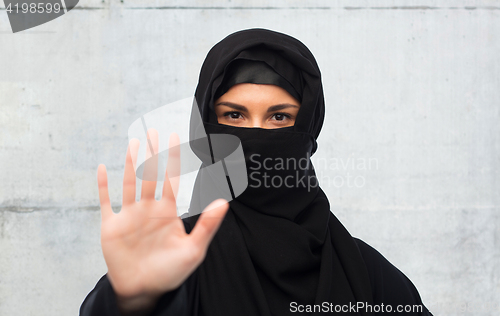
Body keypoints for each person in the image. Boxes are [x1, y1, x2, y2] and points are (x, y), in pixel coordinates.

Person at [80, 28, 433, 316]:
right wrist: (130, 300)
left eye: (279, 117)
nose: (256, 135)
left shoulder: (366, 274)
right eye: (233, 115)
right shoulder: (174, 259)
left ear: (308, 128)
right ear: (206, 127)